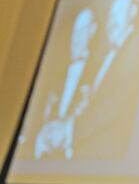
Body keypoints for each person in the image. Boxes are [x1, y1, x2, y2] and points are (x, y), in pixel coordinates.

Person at [72, 0, 139, 159]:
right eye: (111, 15)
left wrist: (73, 128)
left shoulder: (138, 46)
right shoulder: (105, 55)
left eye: (119, 12)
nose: (112, 21)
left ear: (133, 13)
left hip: (109, 154)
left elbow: (117, 104)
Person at [33, 8, 98, 159]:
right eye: (74, 32)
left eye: (82, 31)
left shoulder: (97, 70)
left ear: (93, 31)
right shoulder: (57, 73)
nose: (76, 38)